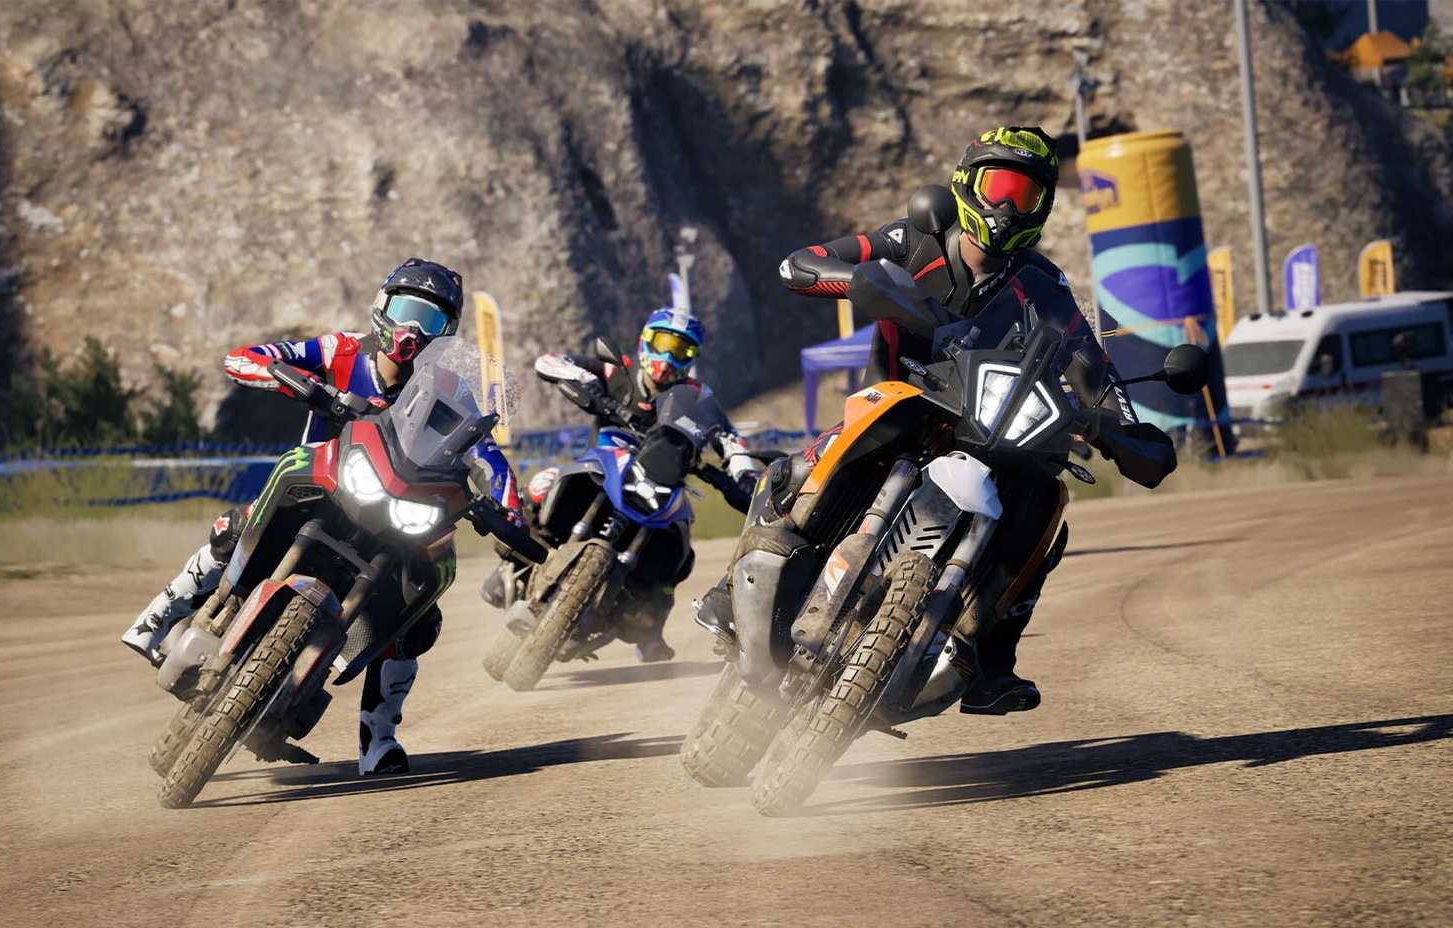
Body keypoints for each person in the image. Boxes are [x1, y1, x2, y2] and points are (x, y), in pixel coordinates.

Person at [750, 125, 1176, 715]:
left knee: (1046, 506)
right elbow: (801, 264)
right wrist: (860, 283)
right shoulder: (914, 240)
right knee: (798, 468)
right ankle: (746, 574)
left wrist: (1113, 424)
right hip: (897, 400)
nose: (1007, 208)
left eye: (1024, 195)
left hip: (988, 434)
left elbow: (1094, 369)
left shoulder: (1046, 289)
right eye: (998, 188)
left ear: (1043, 206)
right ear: (966, 184)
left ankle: (989, 661)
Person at [121, 258, 521, 775]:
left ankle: (379, 738)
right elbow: (244, 359)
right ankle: (156, 619)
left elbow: (487, 454)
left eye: (432, 320)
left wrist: (505, 507)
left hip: (396, 515)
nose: (413, 329)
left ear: (448, 332)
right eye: (406, 310)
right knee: (233, 529)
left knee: (419, 622)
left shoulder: (454, 392)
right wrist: (294, 380)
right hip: (321, 482)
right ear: (382, 307)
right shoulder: (341, 350)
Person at [481, 304, 762, 662]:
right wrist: (588, 386)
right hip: (602, 463)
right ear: (645, 342)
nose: (668, 358)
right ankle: (512, 562)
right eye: (663, 344)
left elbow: (729, 438)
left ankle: (650, 631)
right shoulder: (619, 371)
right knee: (542, 484)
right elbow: (549, 362)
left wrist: (743, 472)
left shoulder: (696, 396)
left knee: (681, 552)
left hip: (662, 482)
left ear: (692, 357)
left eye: (680, 350)